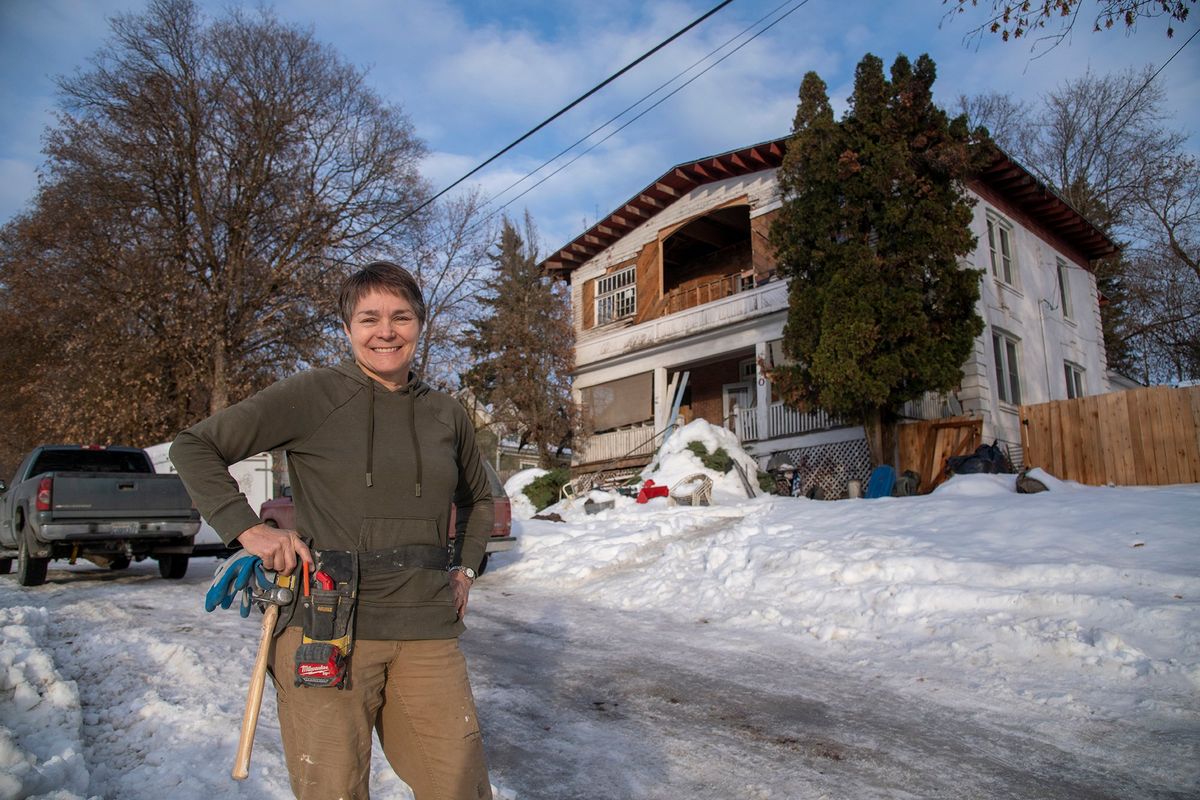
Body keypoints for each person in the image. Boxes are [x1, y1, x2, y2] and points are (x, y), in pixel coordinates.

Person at [170, 261, 494, 800]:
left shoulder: (446, 414)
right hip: (328, 626)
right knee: (333, 791)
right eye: (369, 318)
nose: (385, 331)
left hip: (427, 628)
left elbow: (479, 498)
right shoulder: (313, 394)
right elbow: (194, 446)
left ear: (421, 323)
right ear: (347, 329)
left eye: (401, 316)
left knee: (459, 785)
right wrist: (250, 532)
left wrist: (464, 567)